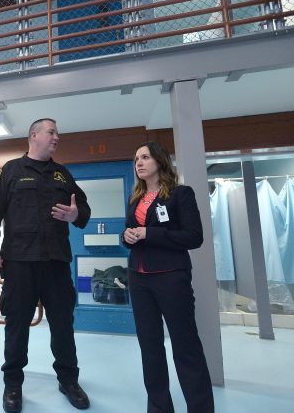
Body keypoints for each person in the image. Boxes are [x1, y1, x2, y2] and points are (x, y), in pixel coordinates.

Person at [0, 118, 91, 413]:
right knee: (17, 327)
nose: (56, 138)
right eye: (51, 132)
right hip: (20, 263)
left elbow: (83, 209)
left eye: (57, 133)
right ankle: (13, 385)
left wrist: (75, 215)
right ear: (34, 136)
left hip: (56, 262)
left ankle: (69, 381)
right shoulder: (11, 171)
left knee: (63, 325)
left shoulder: (63, 174)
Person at [122, 141, 214, 413]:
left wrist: (149, 233)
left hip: (171, 277)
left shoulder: (180, 194)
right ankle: (159, 407)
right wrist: (126, 237)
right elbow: (129, 233)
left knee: (185, 346)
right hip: (138, 278)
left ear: (160, 161)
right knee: (150, 348)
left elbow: (193, 237)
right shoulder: (135, 199)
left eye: (145, 157)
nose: (139, 163)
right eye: (136, 159)